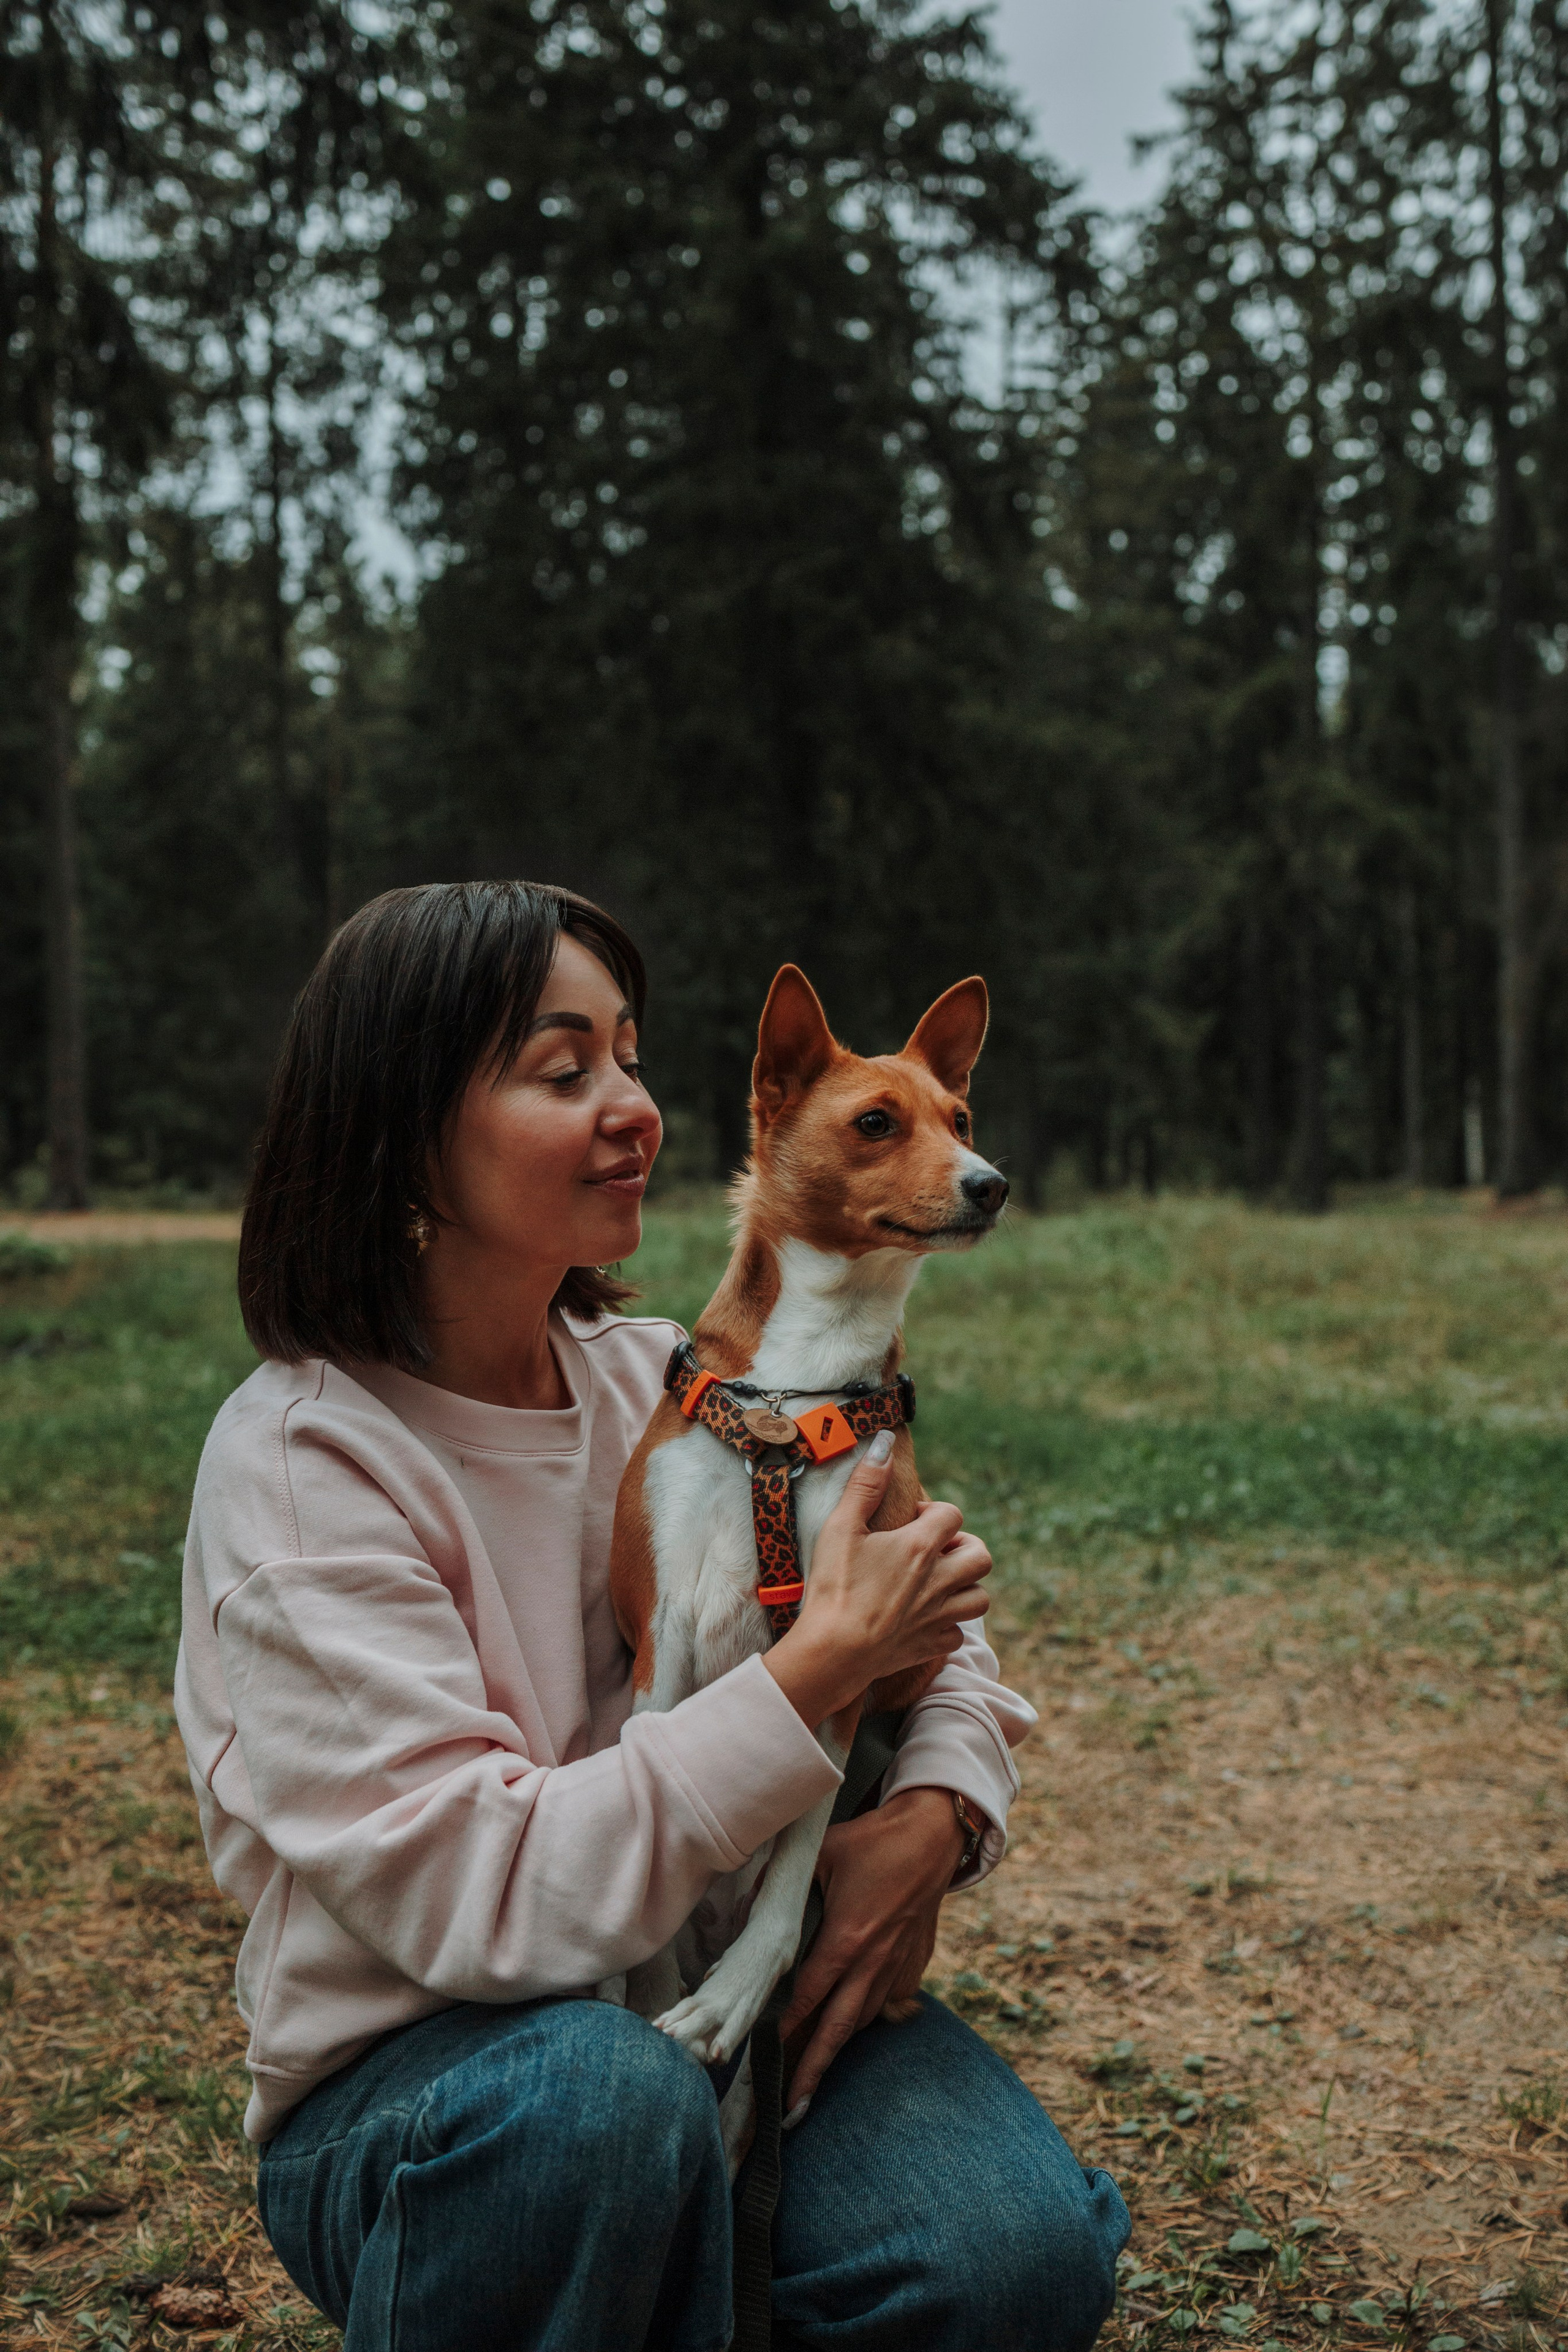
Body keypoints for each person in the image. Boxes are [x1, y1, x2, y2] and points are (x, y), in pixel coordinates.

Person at [175, 880, 1129, 2352]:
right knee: (603, 2106)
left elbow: (927, 1618)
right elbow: (483, 1901)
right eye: (566, 1072)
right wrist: (811, 1675)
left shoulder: (676, 1378)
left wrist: (937, 1812)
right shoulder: (309, 1468)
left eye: (630, 1057)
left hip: (715, 1979)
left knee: (1003, 2253)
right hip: (436, 2075)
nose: (632, 1107)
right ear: (396, 1129)